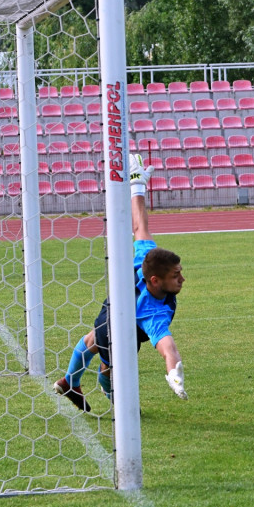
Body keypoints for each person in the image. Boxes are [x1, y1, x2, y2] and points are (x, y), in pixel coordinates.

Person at [54, 154, 188, 412]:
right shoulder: (154, 310)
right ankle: (108, 388)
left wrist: (137, 184)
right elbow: (168, 348)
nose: (182, 279)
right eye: (175, 276)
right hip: (116, 331)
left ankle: (70, 381)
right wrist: (173, 373)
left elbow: (139, 225)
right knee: (109, 368)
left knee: (92, 339)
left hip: (113, 305)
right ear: (155, 280)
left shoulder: (144, 259)